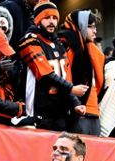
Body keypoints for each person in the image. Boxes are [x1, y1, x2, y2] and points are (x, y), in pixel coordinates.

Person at [17, 0, 88, 131]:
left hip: (59, 110)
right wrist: (72, 89)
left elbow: (66, 77)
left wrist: (75, 103)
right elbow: (45, 74)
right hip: (39, 110)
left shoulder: (58, 44)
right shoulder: (29, 40)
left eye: (55, 18)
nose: (52, 21)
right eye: (47, 17)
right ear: (38, 20)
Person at [59, 9, 105, 135]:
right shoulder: (66, 44)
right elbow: (64, 78)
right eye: (91, 27)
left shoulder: (90, 49)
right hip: (78, 112)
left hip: (94, 111)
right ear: (81, 26)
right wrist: (74, 101)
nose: (95, 31)